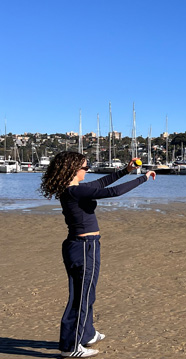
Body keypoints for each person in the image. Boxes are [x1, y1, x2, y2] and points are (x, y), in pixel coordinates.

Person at [40, 152, 155, 358]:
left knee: (87, 294)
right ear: (73, 169)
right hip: (84, 247)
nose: (87, 170)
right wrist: (143, 178)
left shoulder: (74, 189)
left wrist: (126, 171)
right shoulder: (74, 191)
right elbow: (113, 192)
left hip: (84, 246)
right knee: (81, 298)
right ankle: (71, 347)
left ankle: (87, 334)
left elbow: (102, 183)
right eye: (85, 167)